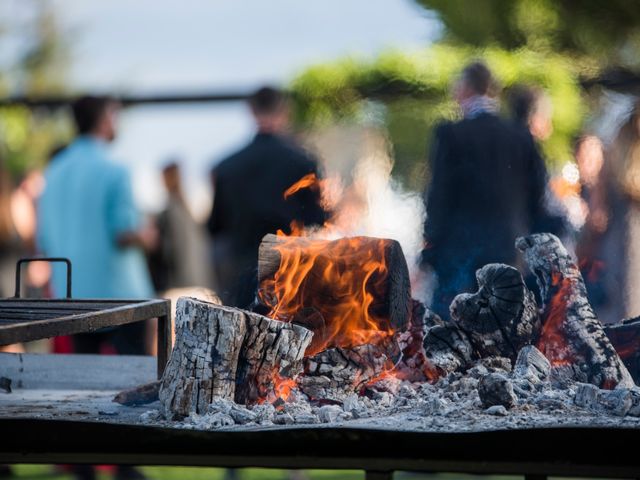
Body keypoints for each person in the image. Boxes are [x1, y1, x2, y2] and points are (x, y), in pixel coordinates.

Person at [422, 62, 551, 318]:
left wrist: (430, 241)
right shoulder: (521, 136)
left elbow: (439, 195)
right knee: (505, 328)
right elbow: (538, 196)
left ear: (467, 88)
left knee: (457, 331)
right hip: (509, 250)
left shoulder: (451, 134)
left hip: (460, 253)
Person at [37, 96, 156, 354]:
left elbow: (43, 239)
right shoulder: (115, 169)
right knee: (139, 381)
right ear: (103, 120)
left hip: (71, 296)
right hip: (123, 298)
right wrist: (147, 235)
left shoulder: (53, 171)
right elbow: (123, 233)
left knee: (86, 381)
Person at [207, 86, 326, 308]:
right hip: (289, 275)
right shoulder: (304, 163)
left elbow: (215, 227)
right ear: (285, 110)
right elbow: (317, 221)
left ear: (251, 111)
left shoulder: (226, 167)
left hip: (241, 278)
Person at [149, 161, 210, 292]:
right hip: (198, 280)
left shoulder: (170, 211)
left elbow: (169, 250)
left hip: (179, 284)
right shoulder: (189, 208)